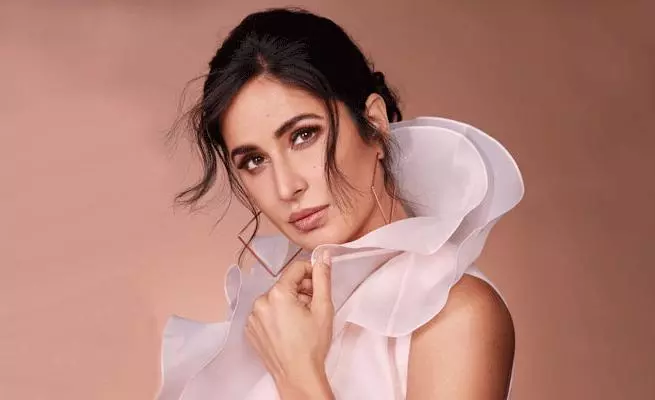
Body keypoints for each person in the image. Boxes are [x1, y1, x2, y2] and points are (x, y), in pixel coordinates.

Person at [158, 7, 524, 400]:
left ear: (374, 123)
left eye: (303, 135)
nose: (286, 187)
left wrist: (298, 375)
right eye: (255, 160)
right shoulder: (278, 319)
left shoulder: (458, 314)